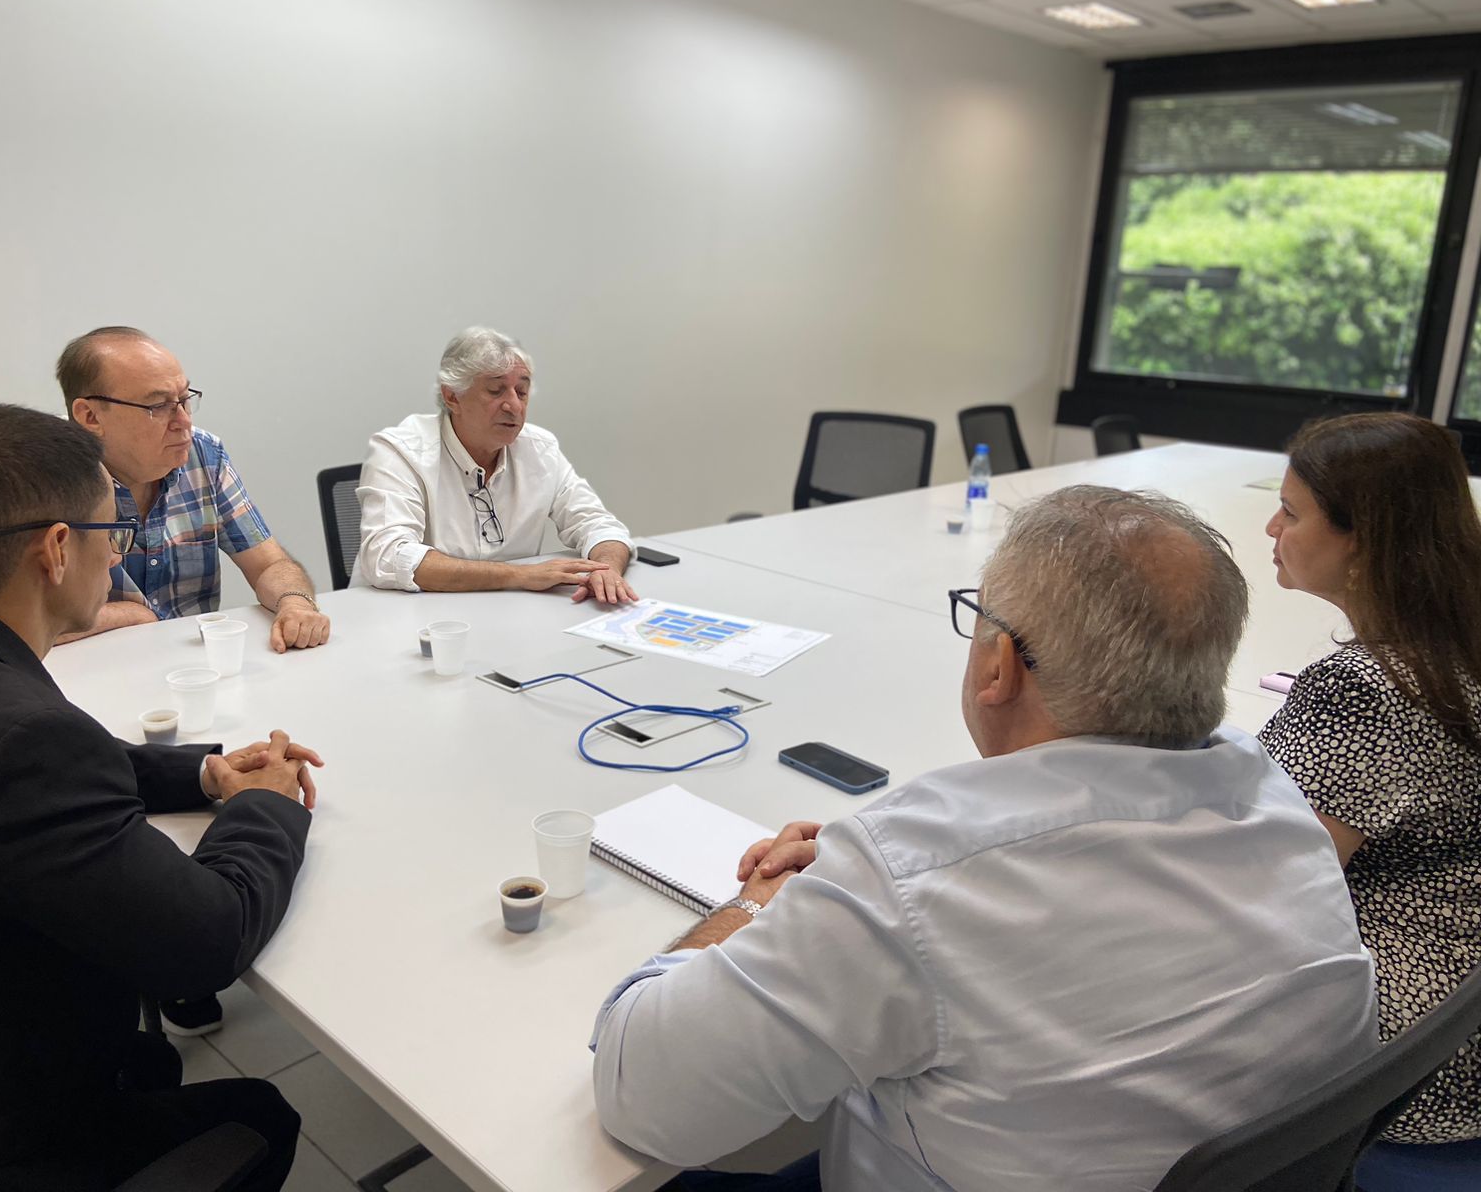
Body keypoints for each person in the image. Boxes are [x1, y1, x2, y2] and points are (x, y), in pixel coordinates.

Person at [591, 486, 1379, 1192]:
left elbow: (643, 1095)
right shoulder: (1277, 798)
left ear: (999, 664)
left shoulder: (910, 883)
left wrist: (756, 906)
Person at [0, 404, 324, 1191]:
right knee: (258, 1118)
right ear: (57, 550)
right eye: (110, 534)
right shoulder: (21, 740)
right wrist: (267, 805)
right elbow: (207, 943)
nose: (115, 551)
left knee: (148, 1062)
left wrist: (204, 773)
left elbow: (32, 766)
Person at [1258, 412, 1481, 1150]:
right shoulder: (1454, 643)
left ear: (1364, 538)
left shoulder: (1364, 689)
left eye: (1291, 513)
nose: (1271, 528)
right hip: (1457, 1013)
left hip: (1395, 1061)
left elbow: (1271, 882)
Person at [57, 325, 331, 652]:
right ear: (90, 416)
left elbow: (269, 565)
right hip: (92, 669)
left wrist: (294, 603)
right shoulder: (44, 475)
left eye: (185, 399)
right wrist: (132, 616)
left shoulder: (203, 455)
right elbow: (17, 624)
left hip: (196, 665)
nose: (184, 421)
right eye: (158, 406)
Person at [355, 325, 637, 604]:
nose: (514, 406)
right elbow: (389, 556)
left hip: (508, 612)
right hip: (405, 614)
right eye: (495, 390)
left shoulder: (539, 449)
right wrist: (519, 575)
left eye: (522, 391)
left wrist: (606, 570)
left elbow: (597, 523)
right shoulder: (400, 451)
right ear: (452, 396)